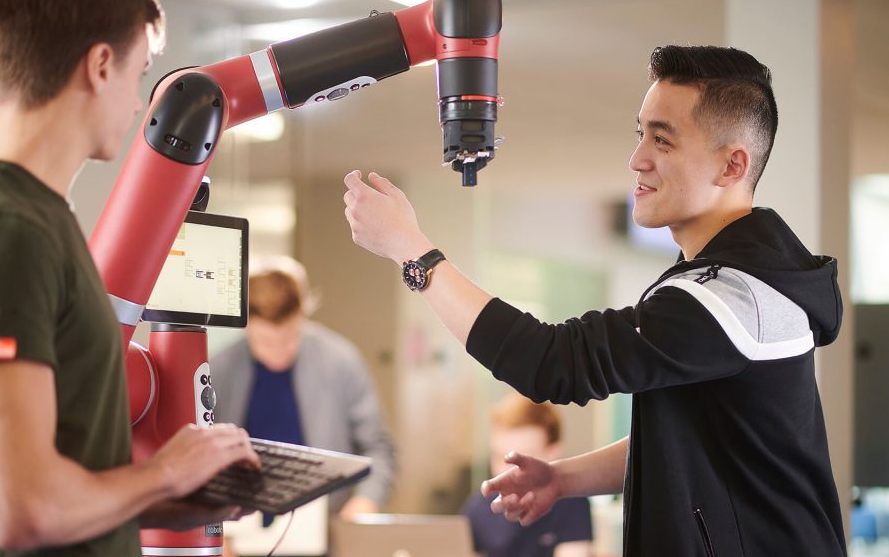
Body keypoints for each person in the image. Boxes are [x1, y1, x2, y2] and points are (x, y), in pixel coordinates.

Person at [343, 45, 847, 556]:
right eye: (640, 134)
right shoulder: (734, 286)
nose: (637, 159)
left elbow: (552, 361)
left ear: (732, 165)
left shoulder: (732, 299)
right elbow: (693, 442)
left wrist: (414, 254)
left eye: (663, 140)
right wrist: (562, 480)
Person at [0, 0, 262, 555]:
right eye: (139, 78)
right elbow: (23, 512)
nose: (139, 106)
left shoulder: (36, 219)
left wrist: (177, 499)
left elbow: (63, 482)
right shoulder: (3, 231)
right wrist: (164, 471)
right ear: (101, 66)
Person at [211, 257, 396, 519]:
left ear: (303, 313)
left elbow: (378, 448)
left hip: (326, 528)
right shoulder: (219, 370)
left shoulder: (341, 362)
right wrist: (215, 529)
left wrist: (365, 502)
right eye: (265, 341)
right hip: (239, 529)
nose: (277, 351)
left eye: (288, 339)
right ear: (245, 324)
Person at [463, 394, 592, 557]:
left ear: (553, 451)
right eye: (498, 457)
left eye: (522, 459)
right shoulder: (478, 508)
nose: (507, 471)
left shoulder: (572, 504)